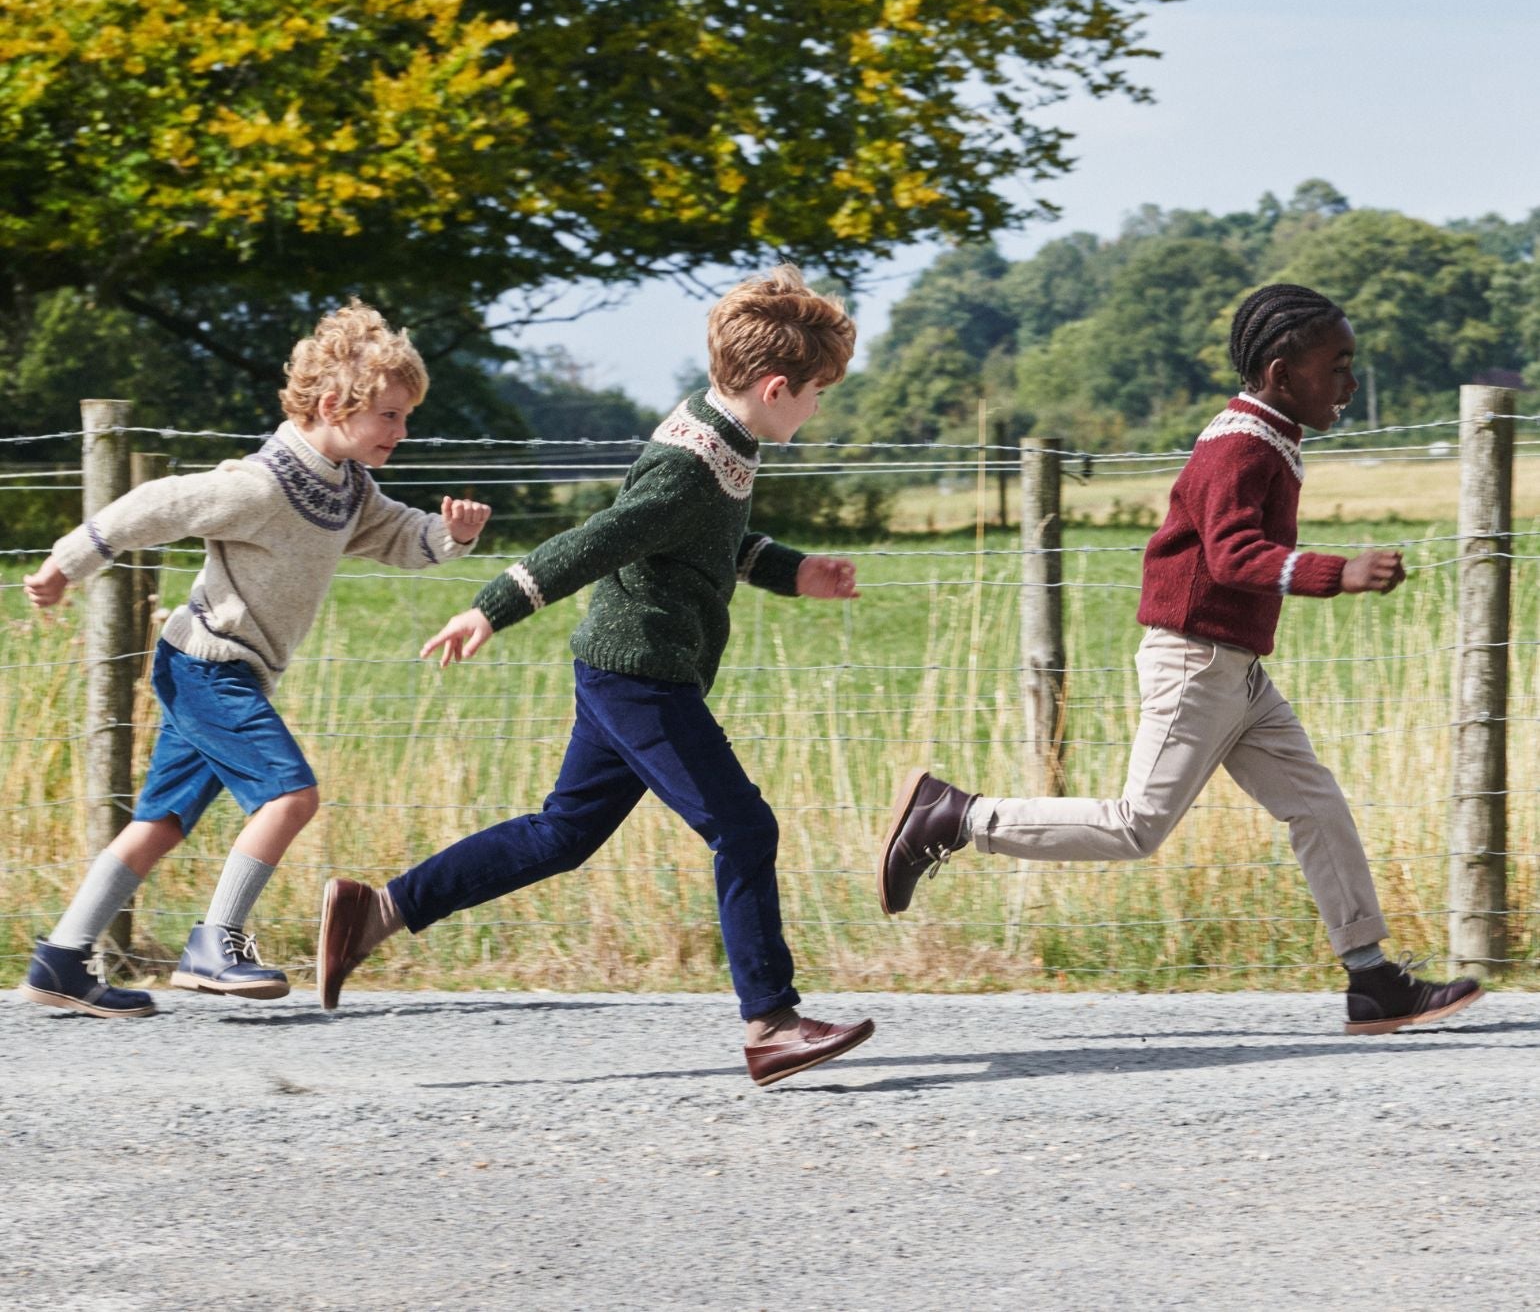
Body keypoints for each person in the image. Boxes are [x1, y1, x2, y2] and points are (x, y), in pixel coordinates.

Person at [319, 265, 875, 1086]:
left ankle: (382, 909)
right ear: (776, 385)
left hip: (627, 669)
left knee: (564, 833)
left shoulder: (722, 435)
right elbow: (599, 541)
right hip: (641, 679)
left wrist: (797, 573)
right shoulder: (690, 462)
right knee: (745, 830)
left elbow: (709, 546)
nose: (819, 408)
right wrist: (489, 608)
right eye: (818, 393)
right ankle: (771, 1022)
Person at [880, 282, 1483, 1036]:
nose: (1350, 383)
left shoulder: (1268, 436)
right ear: (1279, 372)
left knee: (1315, 803)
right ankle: (957, 817)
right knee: (1136, 826)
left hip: (1237, 670)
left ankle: (1372, 980)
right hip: (1195, 663)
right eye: (1338, 365)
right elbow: (1231, 557)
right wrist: (1340, 572)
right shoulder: (1238, 445)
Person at [21, 302, 489, 1018]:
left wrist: (452, 535)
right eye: (391, 416)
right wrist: (66, 563)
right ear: (334, 405)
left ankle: (61, 959)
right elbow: (156, 504)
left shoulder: (346, 486)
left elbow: (401, 537)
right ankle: (216, 941)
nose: (402, 430)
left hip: (223, 669)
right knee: (290, 795)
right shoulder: (263, 484)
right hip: (207, 663)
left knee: (162, 823)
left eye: (404, 417)